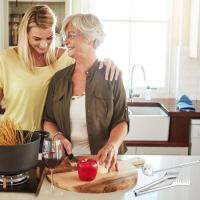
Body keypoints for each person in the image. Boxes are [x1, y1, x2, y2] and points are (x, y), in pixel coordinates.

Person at [0, 5, 120, 131]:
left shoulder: (67, 59)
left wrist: (107, 63)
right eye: (37, 38)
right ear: (25, 35)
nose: (44, 45)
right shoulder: (6, 59)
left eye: (49, 38)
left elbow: (90, 61)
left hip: (53, 140)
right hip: (14, 139)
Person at [42, 13, 129, 171]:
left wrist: (112, 146)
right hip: (68, 164)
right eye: (65, 36)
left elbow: (121, 120)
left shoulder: (111, 76)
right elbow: (48, 120)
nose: (65, 41)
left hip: (105, 164)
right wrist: (57, 136)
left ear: (90, 38)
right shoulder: (58, 80)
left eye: (71, 35)